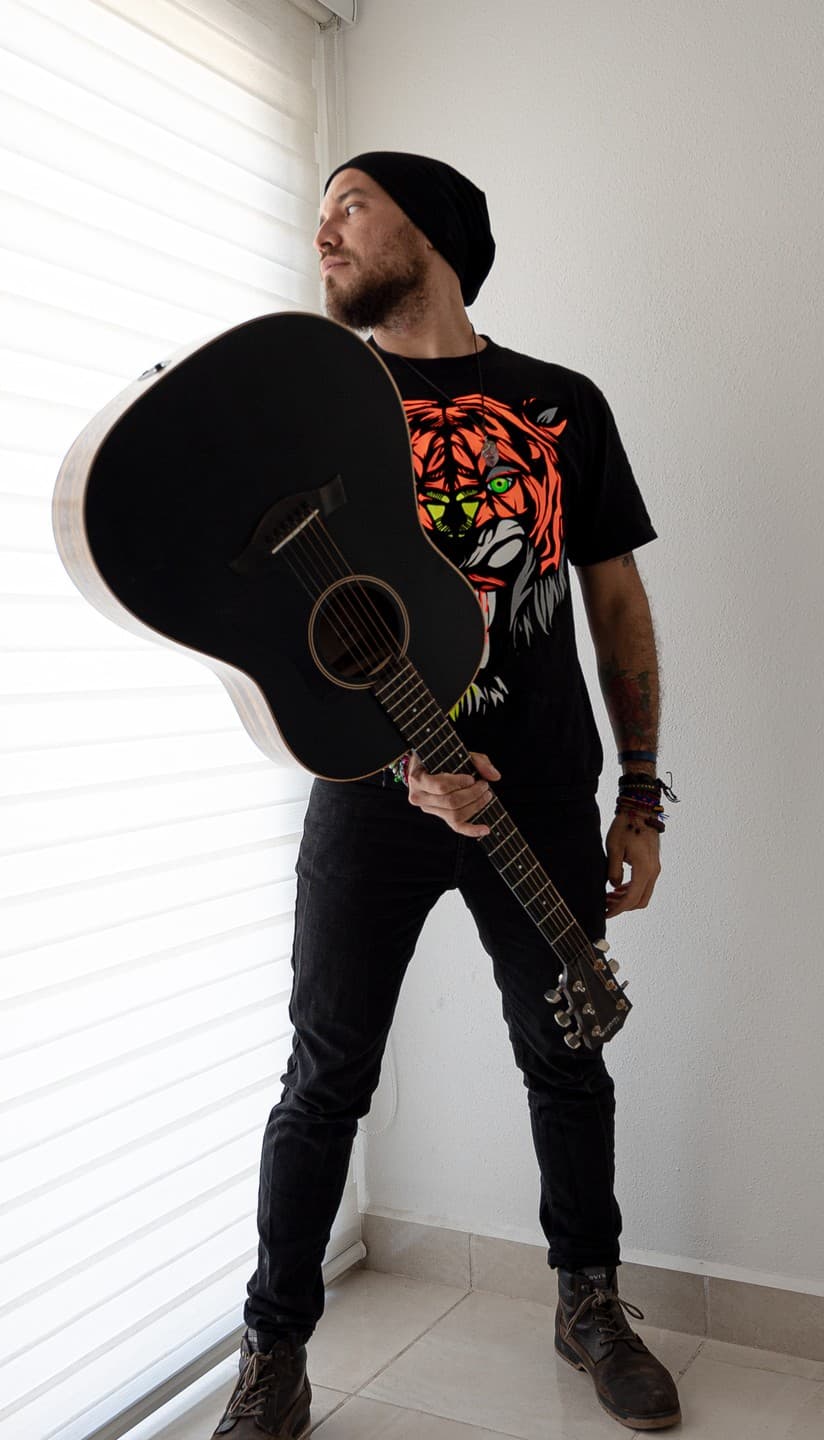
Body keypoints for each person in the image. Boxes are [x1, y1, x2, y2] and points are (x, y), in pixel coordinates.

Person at [213, 152, 679, 1438]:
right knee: (325, 1078)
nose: (324, 235)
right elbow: (260, 604)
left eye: (349, 206)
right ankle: (278, 1350)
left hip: (540, 784)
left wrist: (640, 796)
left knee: (567, 1055)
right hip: (371, 794)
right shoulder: (318, 405)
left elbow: (617, 603)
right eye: (318, 217)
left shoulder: (561, 406)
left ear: (435, 231)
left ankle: (590, 1302)